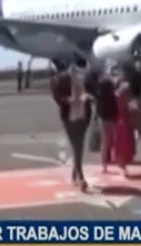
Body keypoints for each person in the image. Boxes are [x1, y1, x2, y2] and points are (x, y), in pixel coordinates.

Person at [50, 59, 92, 191]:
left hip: (83, 113)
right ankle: (80, 176)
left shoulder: (87, 77)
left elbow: (93, 91)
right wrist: (68, 100)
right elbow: (56, 95)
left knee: (79, 144)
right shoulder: (63, 78)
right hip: (69, 114)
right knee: (76, 144)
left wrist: (88, 96)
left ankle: (75, 173)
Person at [114, 65, 137, 176]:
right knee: (125, 143)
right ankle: (123, 165)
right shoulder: (125, 89)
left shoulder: (117, 91)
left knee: (121, 143)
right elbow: (131, 105)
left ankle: (122, 164)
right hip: (125, 120)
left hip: (120, 119)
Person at [95, 67, 119, 172]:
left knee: (104, 142)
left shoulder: (100, 96)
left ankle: (104, 164)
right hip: (112, 118)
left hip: (103, 119)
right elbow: (116, 107)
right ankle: (117, 161)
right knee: (114, 140)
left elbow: (98, 110)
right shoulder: (113, 96)